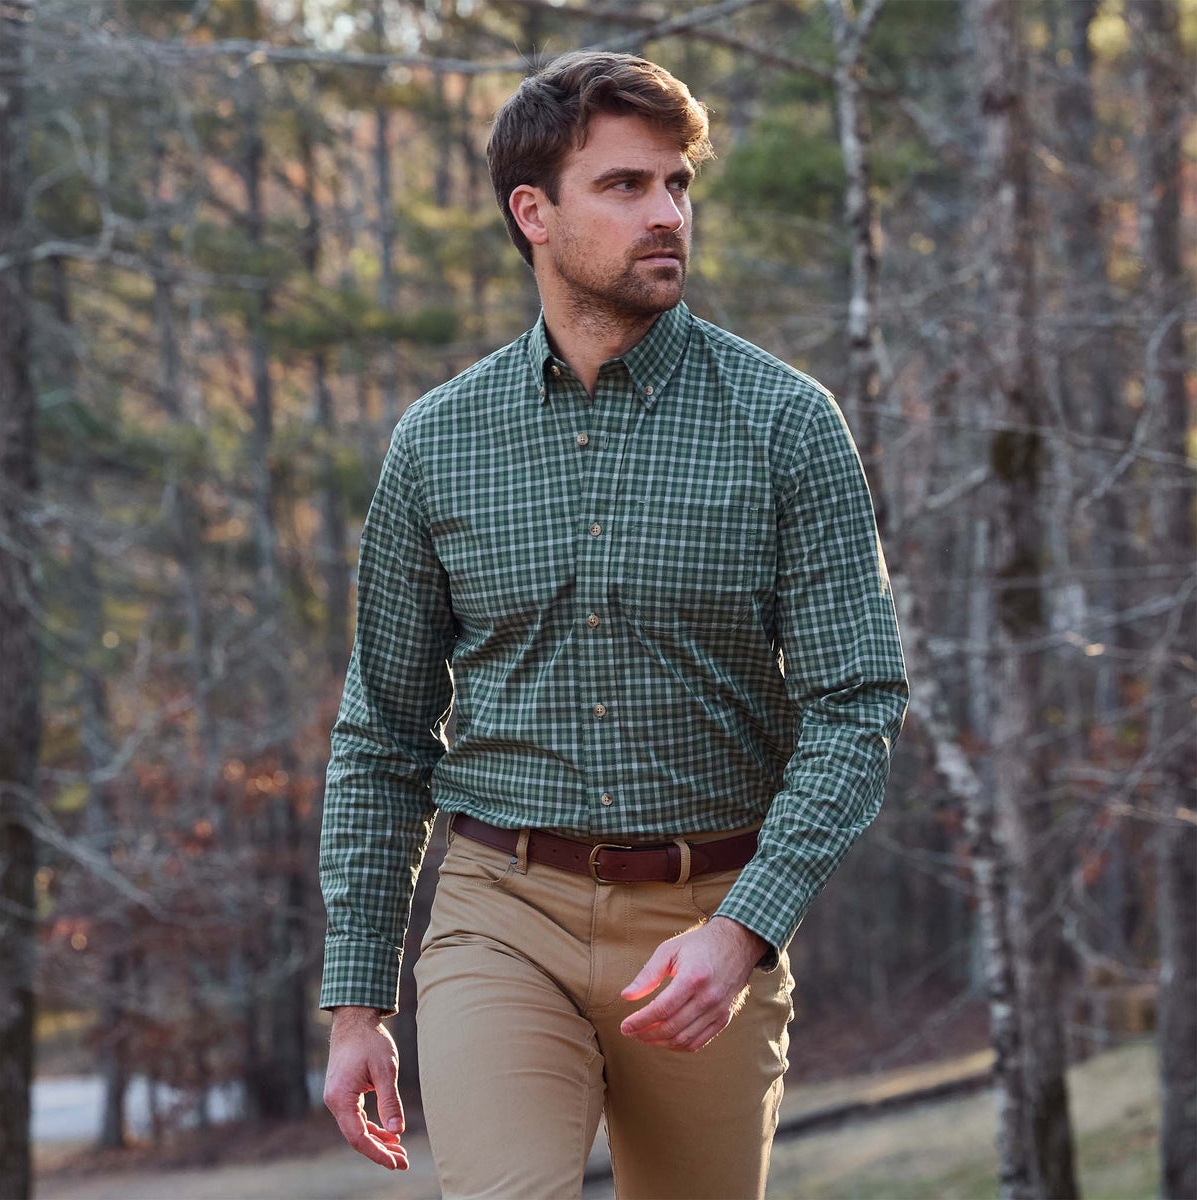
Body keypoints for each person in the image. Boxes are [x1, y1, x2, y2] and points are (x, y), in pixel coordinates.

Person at [318, 49, 908, 1200]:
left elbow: (857, 704)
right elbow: (383, 732)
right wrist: (356, 1006)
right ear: (532, 213)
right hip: (500, 913)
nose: (667, 214)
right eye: (626, 186)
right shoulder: (438, 444)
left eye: (677, 184)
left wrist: (745, 927)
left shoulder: (787, 426)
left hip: (708, 918)